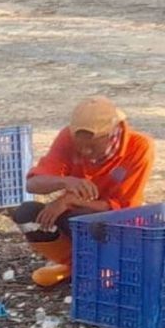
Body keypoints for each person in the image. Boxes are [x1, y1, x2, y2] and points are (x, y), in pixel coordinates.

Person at [12, 96, 154, 287]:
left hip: (116, 225)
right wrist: (64, 181)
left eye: (92, 146)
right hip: (75, 214)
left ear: (112, 134)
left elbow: (126, 210)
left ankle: (108, 266)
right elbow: (33, 184)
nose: (85, 152)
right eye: (80, 146)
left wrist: (69, 201)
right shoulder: (67, 138)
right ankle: (77, 267)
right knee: (27, 214)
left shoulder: (139, 147)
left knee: (83, 219)